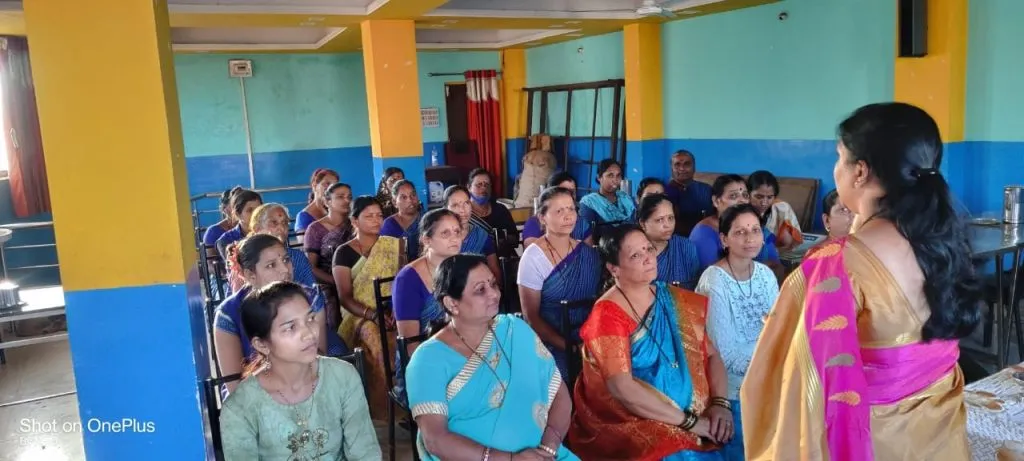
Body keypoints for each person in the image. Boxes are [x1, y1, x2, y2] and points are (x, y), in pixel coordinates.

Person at [742, 102, 983, 460]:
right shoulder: (942, 239)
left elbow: (806, 382)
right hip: (938, 436)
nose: (835, 169)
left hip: (876, 441)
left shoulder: (837, 263)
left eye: (840, 157)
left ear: (860, 172)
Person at [568, 225, 733, 460]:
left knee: (737, 433)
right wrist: (691, 423)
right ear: (613, 268)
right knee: (682, 452)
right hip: (632, 419)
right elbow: (622, 390)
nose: (648, 258)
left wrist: (720, 404)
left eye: (648, 249)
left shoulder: (671, 298)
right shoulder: (607, 315)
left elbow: (712, 355)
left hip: (693, 411)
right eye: (636, 255)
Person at [407, 254, 578, 461]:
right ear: (452, 303)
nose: (494, 294)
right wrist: (510, 459)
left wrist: (549, 447)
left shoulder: (515, 330)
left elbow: (560, 394)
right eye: (480, 290)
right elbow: (435, 439)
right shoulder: (428, 359)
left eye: (493, 284)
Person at [219, 281, 380, 461]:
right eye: (290, 327)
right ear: (261, 344)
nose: (309, 334)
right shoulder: (240, 408)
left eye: (310, 319)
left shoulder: (343, 377)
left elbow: (366, 453)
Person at [694, 203, 779, 461]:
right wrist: (773, 363)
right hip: (732, 390)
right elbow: (724, 353)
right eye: (740, 232)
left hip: (769, 381)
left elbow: (779, 329)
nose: (750, 238)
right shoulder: (714, 280)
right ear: (724, 239)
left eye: (755, 230)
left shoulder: (765, 275)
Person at [214, 234, 343, 394]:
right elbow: (234, 384)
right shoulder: (228, 314)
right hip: (253, 394)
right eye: (270, 265)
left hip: (307, 382)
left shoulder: (311, 297)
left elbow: (318, 357)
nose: (284, 270)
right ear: (250, 275)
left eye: (286, 260)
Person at [517, 187, 602, 377]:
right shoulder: (532, 258)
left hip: (590, 335)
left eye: (571, 209)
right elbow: (531, 317)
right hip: (551, 340)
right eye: (559, 211)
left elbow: (599, 301)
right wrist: (570, 347)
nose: (568, 216)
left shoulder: (588, 254)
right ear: (542, 218)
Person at [332, 196, 402, 419]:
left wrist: (394, 311)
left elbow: (401, 283)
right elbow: (344, 297)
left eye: (379, 215)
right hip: (359, 316)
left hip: (392, 311)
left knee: (412, 338)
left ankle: (412, 401)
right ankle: (386, 408)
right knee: (378, 342)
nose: (376, 220)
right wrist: (373, 314)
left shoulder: (394, 246)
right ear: (354, 220)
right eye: (369, 216)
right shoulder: (343, 253)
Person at [689, 175, 781, 276]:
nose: (742, 200)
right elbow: (712, 274)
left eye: (745, 195)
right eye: (733, 196)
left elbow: (775, 265)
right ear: (716, 201)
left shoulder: (753, 224)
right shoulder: (703, 233)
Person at [226, 203, 315, 291]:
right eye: (274, 223)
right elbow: (235, 300)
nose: (281, 228)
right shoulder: (244, 259)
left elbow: (314, 294)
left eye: (285, 223)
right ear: (257, 228)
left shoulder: (297, 257)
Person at [304, 183, 353, 329]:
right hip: (328, 282)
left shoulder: (355, 224)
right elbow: (310, 267)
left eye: (349, 197)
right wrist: (337, 282)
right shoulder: (315, 229)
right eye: (340, 197)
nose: (347, 201)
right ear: (327, 202)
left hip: (357, 277)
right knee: (331, 302)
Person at [638, 194, 700, 290]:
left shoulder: (686, 247)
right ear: (643, 224)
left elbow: (696, 288)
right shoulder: (635, 253)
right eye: (659, 220)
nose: (667, 225)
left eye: (670, 218)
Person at [521, 171, 592, 248]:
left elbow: (588, 252)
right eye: (562, 191)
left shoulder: (581, 223)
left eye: (572, 192)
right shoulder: (535, 222)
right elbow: (533, 251)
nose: (568, 196)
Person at [444, 185, 501, 280]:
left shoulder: (481, 236)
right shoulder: (440, 237)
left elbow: (494, 270)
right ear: (446, 209)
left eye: (466, 203)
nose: (462, 210)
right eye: (455, 205)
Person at [467, 168, 520, 258]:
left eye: (487, 184)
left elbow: (515, 239)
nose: (484, 188)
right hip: (475, 261)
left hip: (503, 260)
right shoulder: (464, 213)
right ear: (469, 187)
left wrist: (501, 240)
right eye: (479, 185)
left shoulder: (500, 210)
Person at [747, 170, 803, 251]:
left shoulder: (781, 209)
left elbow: (790, 242)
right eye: (759, 197)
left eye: (769, 197)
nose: (764, 203)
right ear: (747, 194)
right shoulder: (740, 211)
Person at [664, 150, 714, 236]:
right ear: (671, 168)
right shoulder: (664, 191)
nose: (682, 168)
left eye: (687, 164)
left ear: (694, 167)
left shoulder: (706, 190)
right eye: (677, 165)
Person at [579, 159, 635, 229]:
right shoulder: (589, 203)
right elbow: (586, 234)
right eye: (610, 175)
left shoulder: (626, 198)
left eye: (618, 175)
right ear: (599, 177)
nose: (615, 180)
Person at [380, 179, 422, 262]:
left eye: (413, 195)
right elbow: (385, 257)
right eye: (404, 197)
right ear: (394, 202)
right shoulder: (389, 224)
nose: (410, 200)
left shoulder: (427, 220)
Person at [216, 189, 262, 259]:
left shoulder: (271, 233)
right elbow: (234, 267)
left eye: (259, 209)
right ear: (238, 214)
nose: (256, 213)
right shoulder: (225, 240)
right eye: (250, 210)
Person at [295, 168, 340, 234]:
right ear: (314, 185)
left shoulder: (336, 212)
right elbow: (303, 243)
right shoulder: (303, 217)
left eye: (335, 185)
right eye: (327, 183)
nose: (331, 188)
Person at [202, 186, 241, 258]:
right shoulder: (213, 231)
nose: (239, 208)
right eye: (235, 204)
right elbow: (210, 263)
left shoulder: (254, 228)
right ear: (224, 209)